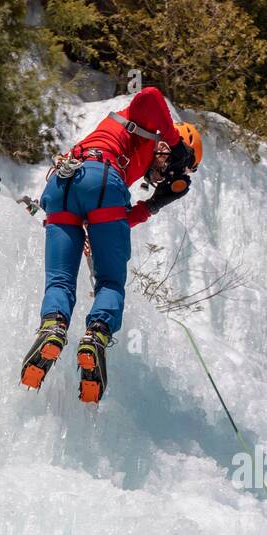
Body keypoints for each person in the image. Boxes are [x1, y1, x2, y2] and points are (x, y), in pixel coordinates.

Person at [20, 88, 202, 402]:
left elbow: (106, 219)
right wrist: (174, 142)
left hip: (63, 185)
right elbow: (149, 96)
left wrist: (152, 206)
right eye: (173, 166)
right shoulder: (150, 129)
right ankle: (95, 336)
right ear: (168, 146)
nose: (165, 175)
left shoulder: (127, 147)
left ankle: (52, 328)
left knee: (60, 280)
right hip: (102, 180)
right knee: (110, 283)